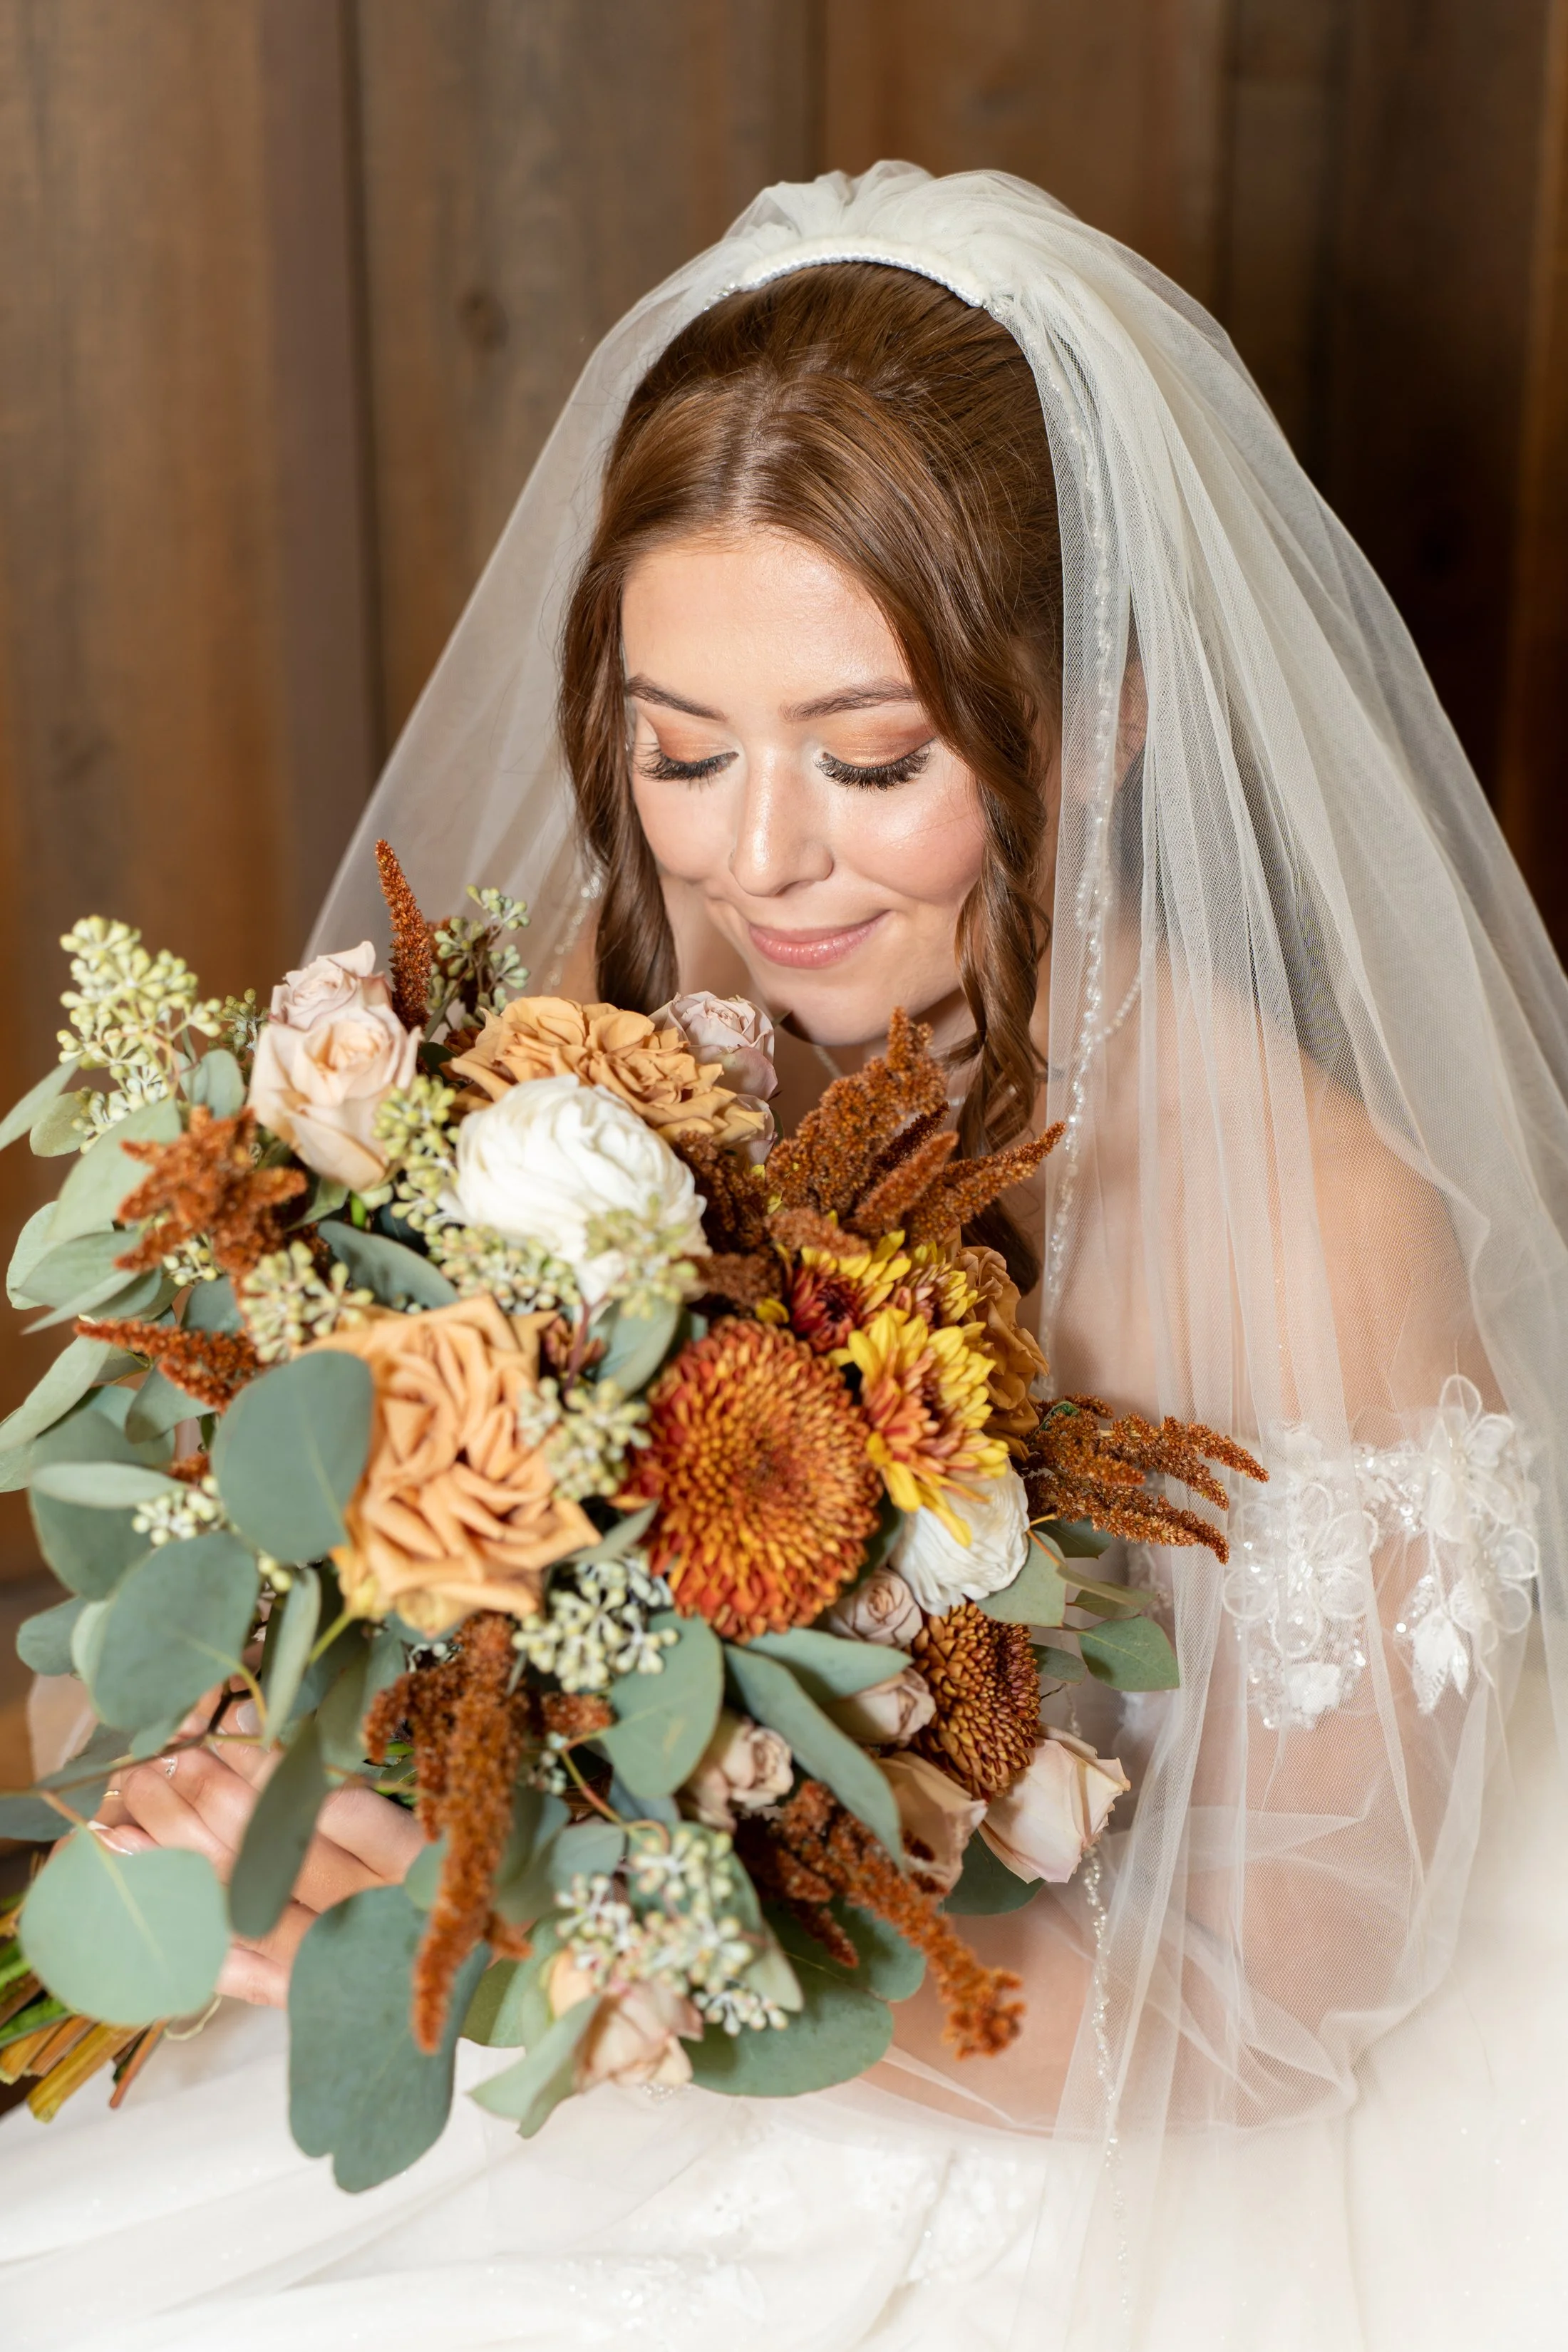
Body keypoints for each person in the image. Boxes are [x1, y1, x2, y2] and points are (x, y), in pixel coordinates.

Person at [4, 160, 1568, 2351]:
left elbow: (1267, 2017)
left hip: (1092, 2128)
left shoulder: (1329, 1232)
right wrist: (274, 1745)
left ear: (1090, 713)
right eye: (679, 750)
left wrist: (607, 1958)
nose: (758, 860)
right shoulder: (609, 1075)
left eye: (871, 757)